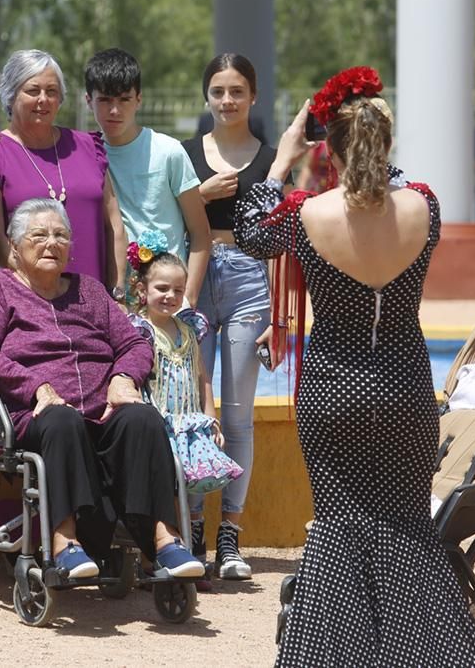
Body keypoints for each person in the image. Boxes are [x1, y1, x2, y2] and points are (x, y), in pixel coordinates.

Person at [233, 66, 475, 666]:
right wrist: (365, 133)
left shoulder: (304, 213)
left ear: (329, 148)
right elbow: (384, 183)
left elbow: (248, 233)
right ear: (387, 143)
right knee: (406, 525)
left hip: (332, 390)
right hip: (403, 387)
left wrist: (282, 159)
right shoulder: (424, 205)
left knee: (340, 525)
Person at [0, 198, 204, 578]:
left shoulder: (89, 291)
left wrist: (124, 377)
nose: (51, 243)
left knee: (143, 419)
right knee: (62, 421)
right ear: (14, 247)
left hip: (100, 414)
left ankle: (165, 543)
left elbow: (135, 345)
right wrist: (35, 386)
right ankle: (65, 544)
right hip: (34, 416)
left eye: (60, 235)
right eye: (38, 235)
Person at [179, 53, 278, 581]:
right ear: (207, 96)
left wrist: (277, 317)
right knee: (195, 410)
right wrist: (201, 194)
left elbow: (283, 239)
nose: (227, 100)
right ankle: (193, 526)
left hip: (248, 281)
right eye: (218, 91)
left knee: (238, 414)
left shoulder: (268, 159)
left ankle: (231, 536)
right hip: (195, 277)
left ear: (253, 96)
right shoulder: (186, 154)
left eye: (237, 90)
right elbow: (169, 216)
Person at [84, 48, 211, 305]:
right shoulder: (84, 154)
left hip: (166, 302)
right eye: (105, 100)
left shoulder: (169, 152)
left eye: (124, 99)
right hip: (112, 299)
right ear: (88, 101)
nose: (115, 110)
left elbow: (200, 234)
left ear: (139, 99)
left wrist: (189, 298)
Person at [0, 49, 125, 290]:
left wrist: (118, 293)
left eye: (51, 91)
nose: (43, 99)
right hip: (30, 302)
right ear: (11, 95)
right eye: (33, 91)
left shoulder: (87, 146)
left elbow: (114, 224)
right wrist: (37, 289)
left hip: (94, 300)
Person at [127, 244, 241, 497]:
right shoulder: (139, 331)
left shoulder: (189, 330)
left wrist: (211, 419)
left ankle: (187, 530)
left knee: (187, 484)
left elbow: (203, 378)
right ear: (142, 290)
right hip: (158, 422)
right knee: (160, 484)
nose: (170, 296)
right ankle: (167, 532)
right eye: (162, 288)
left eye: (178, 290)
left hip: (189, 423)